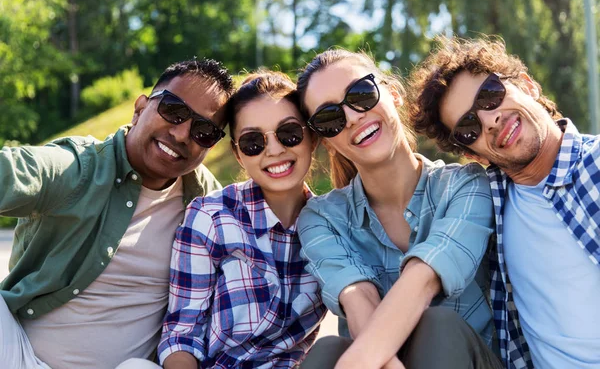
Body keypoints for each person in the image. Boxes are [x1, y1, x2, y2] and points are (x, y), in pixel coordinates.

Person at [0, 59, 235, 369]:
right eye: (174, 111)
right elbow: (13, 171)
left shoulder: (205, 202)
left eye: (204, 131)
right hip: (19, 357)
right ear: (139, 109)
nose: (181, 135)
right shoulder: (78, 168)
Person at [295, 49, 502, 369]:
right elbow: (358, 298)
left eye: (361, 94)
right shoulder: (322, 217)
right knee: (325, 353)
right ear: (326, 140)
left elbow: (424, 280)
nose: (351, 117)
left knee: (437, 326)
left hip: (469, 358)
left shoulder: (465, 185)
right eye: (329, 118)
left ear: (393, 94)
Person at [408, 36, 600, 369]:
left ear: (528, 86)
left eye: (490, 95)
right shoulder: (485, 202)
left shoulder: (594, 164)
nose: (490, 120)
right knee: (437, 327)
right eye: (469, 127)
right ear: (471, 153)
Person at [153, 71, 327, 369]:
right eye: (252, 142)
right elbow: (182, 335)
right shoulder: (211, 218)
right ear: (238, 154)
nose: (274, 150)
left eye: (289, 133)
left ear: (312, 138)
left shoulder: (332, 225)